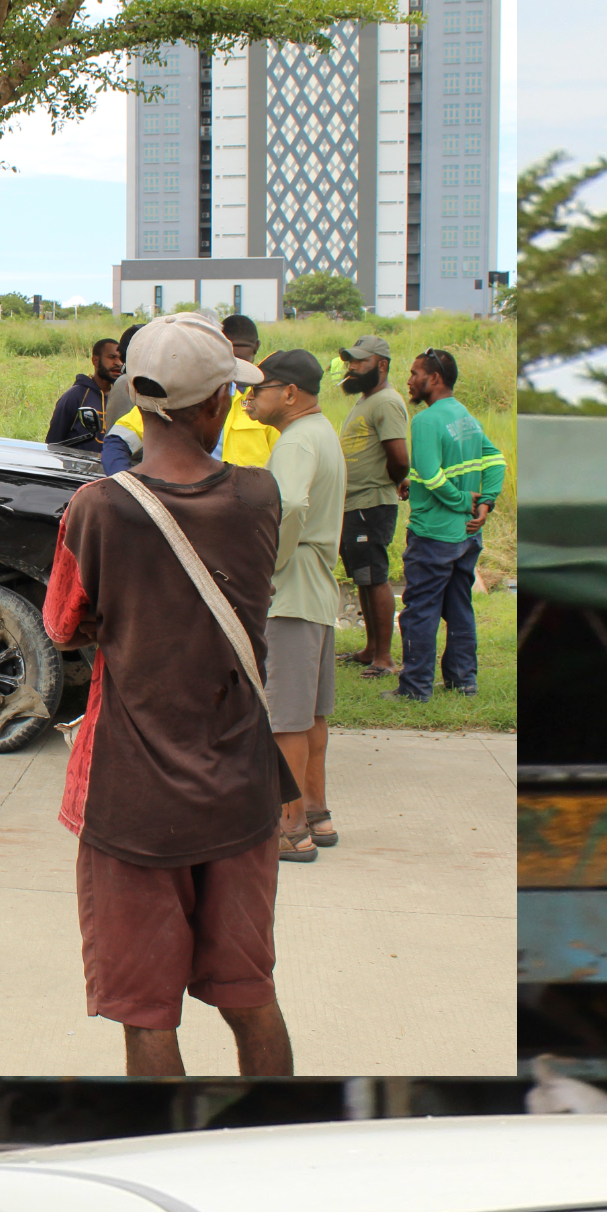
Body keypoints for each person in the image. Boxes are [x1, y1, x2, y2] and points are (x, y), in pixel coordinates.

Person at [39, 311, 292, 1082]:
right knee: (252, 1000)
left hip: (133, 800)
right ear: (217, 405)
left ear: (136, 406)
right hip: (241, 794)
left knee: (146, 1019)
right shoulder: (258, 497)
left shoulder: (98, 508)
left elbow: (62, 625)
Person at [250, 346, 346, 866]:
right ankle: (316, 813)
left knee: (286, 717)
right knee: (310, 714)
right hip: (317, 589)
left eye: (257, 389)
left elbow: (291, 507)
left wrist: (268, 565)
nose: (249, 398)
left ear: (288, 394)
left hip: (291, 589)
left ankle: (289, 829)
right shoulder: (322, 433)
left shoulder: (294, 441)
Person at [395, 346, 501, 703]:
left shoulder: (425, 420)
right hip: (468, 535)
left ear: (434, 378)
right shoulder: (465, 415)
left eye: (414, 374)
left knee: (420, 610)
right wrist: (485, 503)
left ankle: (414, 689)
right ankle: (462, 681)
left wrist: (460, 502)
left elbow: (433, 474)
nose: (409, 381)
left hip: (434, 534)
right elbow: (495, 460)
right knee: (459, 607)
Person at [337, 334, 411, 674]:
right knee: (363, 577)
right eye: (350, 361)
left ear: (381, 365)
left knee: (376, 577)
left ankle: (384, 658)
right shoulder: (366, 399)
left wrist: (396, 480)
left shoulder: (385, 402)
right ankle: (370, 649)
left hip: (371, 504)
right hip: (355, 504)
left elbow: (398, 456)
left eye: (360, 361)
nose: (352, 367)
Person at [216, 314, 277, 473]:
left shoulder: (269, 394)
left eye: (242, 361)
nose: (238, 371)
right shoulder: (205, 392)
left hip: (255, 493)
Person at [47, 337, 125, 454]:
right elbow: (53, 442)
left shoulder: (122, 398)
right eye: (112, 357)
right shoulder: (75, 396)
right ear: (95, 361)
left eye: (121, 359)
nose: (118, 363)